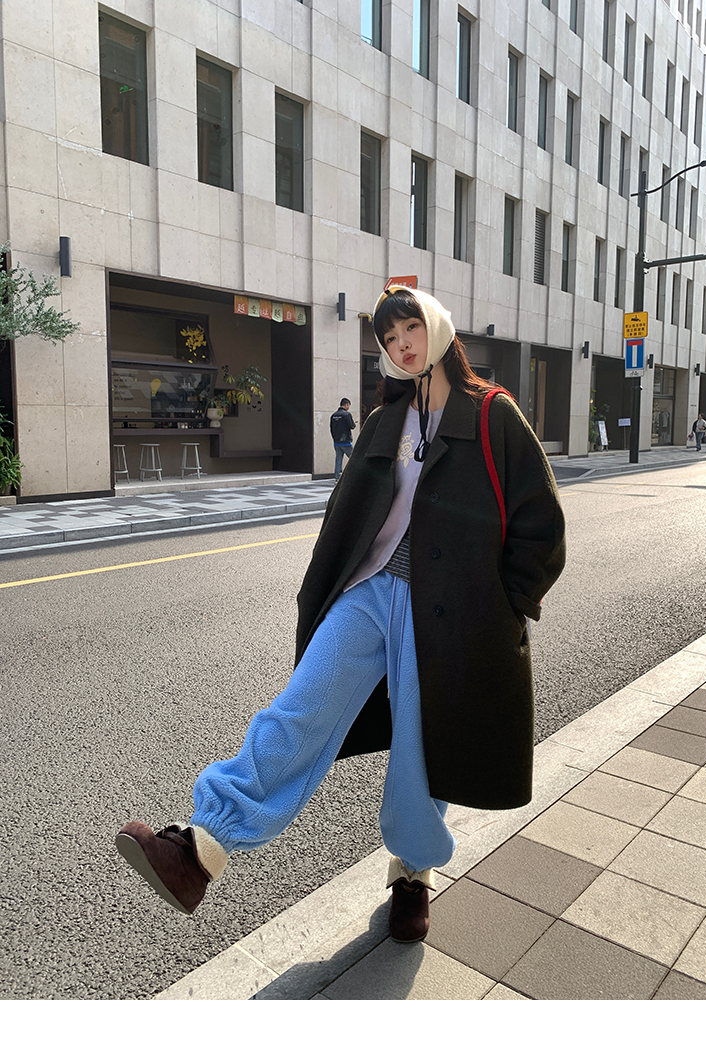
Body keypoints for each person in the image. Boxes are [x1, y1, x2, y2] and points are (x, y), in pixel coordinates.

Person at [115, 286, 566, 943]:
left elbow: (542, 524)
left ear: (437, 327)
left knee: (421, 750)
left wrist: (503, 606)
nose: (402, 345)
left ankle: (412, 873)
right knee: (300, 707)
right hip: (370, 592)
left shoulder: (493, 415)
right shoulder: (386, 419)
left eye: (411, 328)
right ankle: (201, 847)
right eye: (390, 338)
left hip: (446, 613)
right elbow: (348, 508)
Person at [330, 398, 356, 480]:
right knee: (354, 458)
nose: (348, 408)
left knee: (338, 460)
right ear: (346, 405)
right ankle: (355, 475)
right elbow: (352, 426)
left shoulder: (333, 415)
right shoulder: (347, 414)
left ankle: (337, 477)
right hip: (346, 442)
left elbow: (331, 429)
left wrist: (335, 439)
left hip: (337, 442)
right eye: (348, 406)